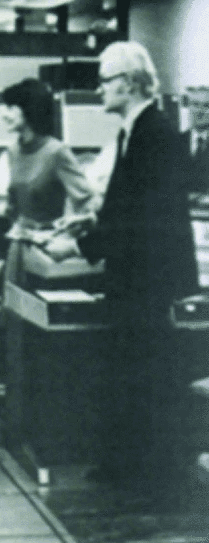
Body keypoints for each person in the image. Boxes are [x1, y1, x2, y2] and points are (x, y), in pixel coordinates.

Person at [75, 41, 199, 499]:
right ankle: (128, 465)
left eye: (104, 80)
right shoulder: (139, 132)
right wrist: (92, 231)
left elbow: (140, 217)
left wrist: (86, 244)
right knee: (130, 367)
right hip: (138, 276)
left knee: (145, 370)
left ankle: (150, 473)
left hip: (147, 279)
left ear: (128, 83)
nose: (99, 89)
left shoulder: (154, 135)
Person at [0, 77, 96, 287]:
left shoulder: (57, 152)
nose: (4, 115)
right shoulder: (13, 151)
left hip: (49, 253)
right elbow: (13, 205)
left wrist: (68, 235)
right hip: (18, 248)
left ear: (29, 110)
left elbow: (86, 203)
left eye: (11, 108)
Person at [183, 85, 209, 196]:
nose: (200, 111)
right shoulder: (174, 142)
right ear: (188, 107)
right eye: (195, 104)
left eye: (206, 106)